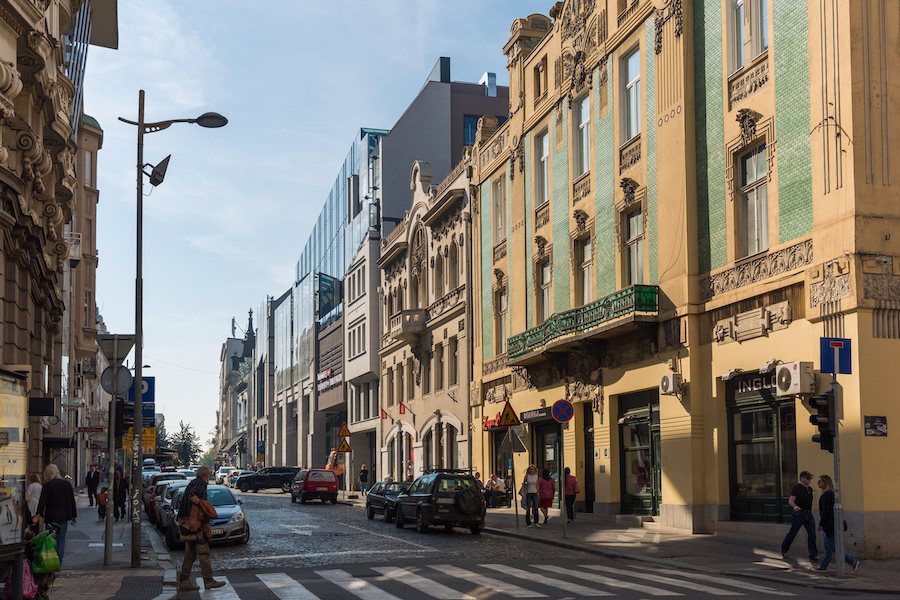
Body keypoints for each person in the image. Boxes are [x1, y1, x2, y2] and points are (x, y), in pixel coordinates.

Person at [177, 466, 225, 591]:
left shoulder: (193, 483)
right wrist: (204, 505)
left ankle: (184, 581)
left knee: (190, 554)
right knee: (203, 552)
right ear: (207, 475)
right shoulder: (200, 484)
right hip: (195, 524)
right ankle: (208, 581)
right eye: (209, 475)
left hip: (186, 523)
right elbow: (192, 497)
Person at [813, 475, 860, 573]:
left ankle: (852, 562)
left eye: (819, 481)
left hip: (828, 525)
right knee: (828, 548)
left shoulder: (826, 495)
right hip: (831, 524)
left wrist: (821, 524)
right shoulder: (832, 494)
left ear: (825, 483)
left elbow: (826, 511)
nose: (818, 483)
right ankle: (823, 566)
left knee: (833, 547)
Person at [32, 464, 76, 565]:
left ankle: (52, 560)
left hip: (51, 517)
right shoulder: (66, 484)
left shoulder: (47, 485)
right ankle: (58, 562)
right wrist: (74, 515)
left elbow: (42, 502)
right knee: (61, 540)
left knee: (51, 539)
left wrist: (37, 516)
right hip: (64, 517)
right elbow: (71, 500)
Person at [781, 470, 819, 562]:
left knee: (812, 535)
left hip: (808, 514)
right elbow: (791, 500)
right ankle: (784, 550)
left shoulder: (809, 489)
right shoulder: (797, 488)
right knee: (793, 533)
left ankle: (813, 555)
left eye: (810, 478)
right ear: (801, 478)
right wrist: (795, 506)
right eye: (807, 478)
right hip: (799, 514)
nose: (809, 480)